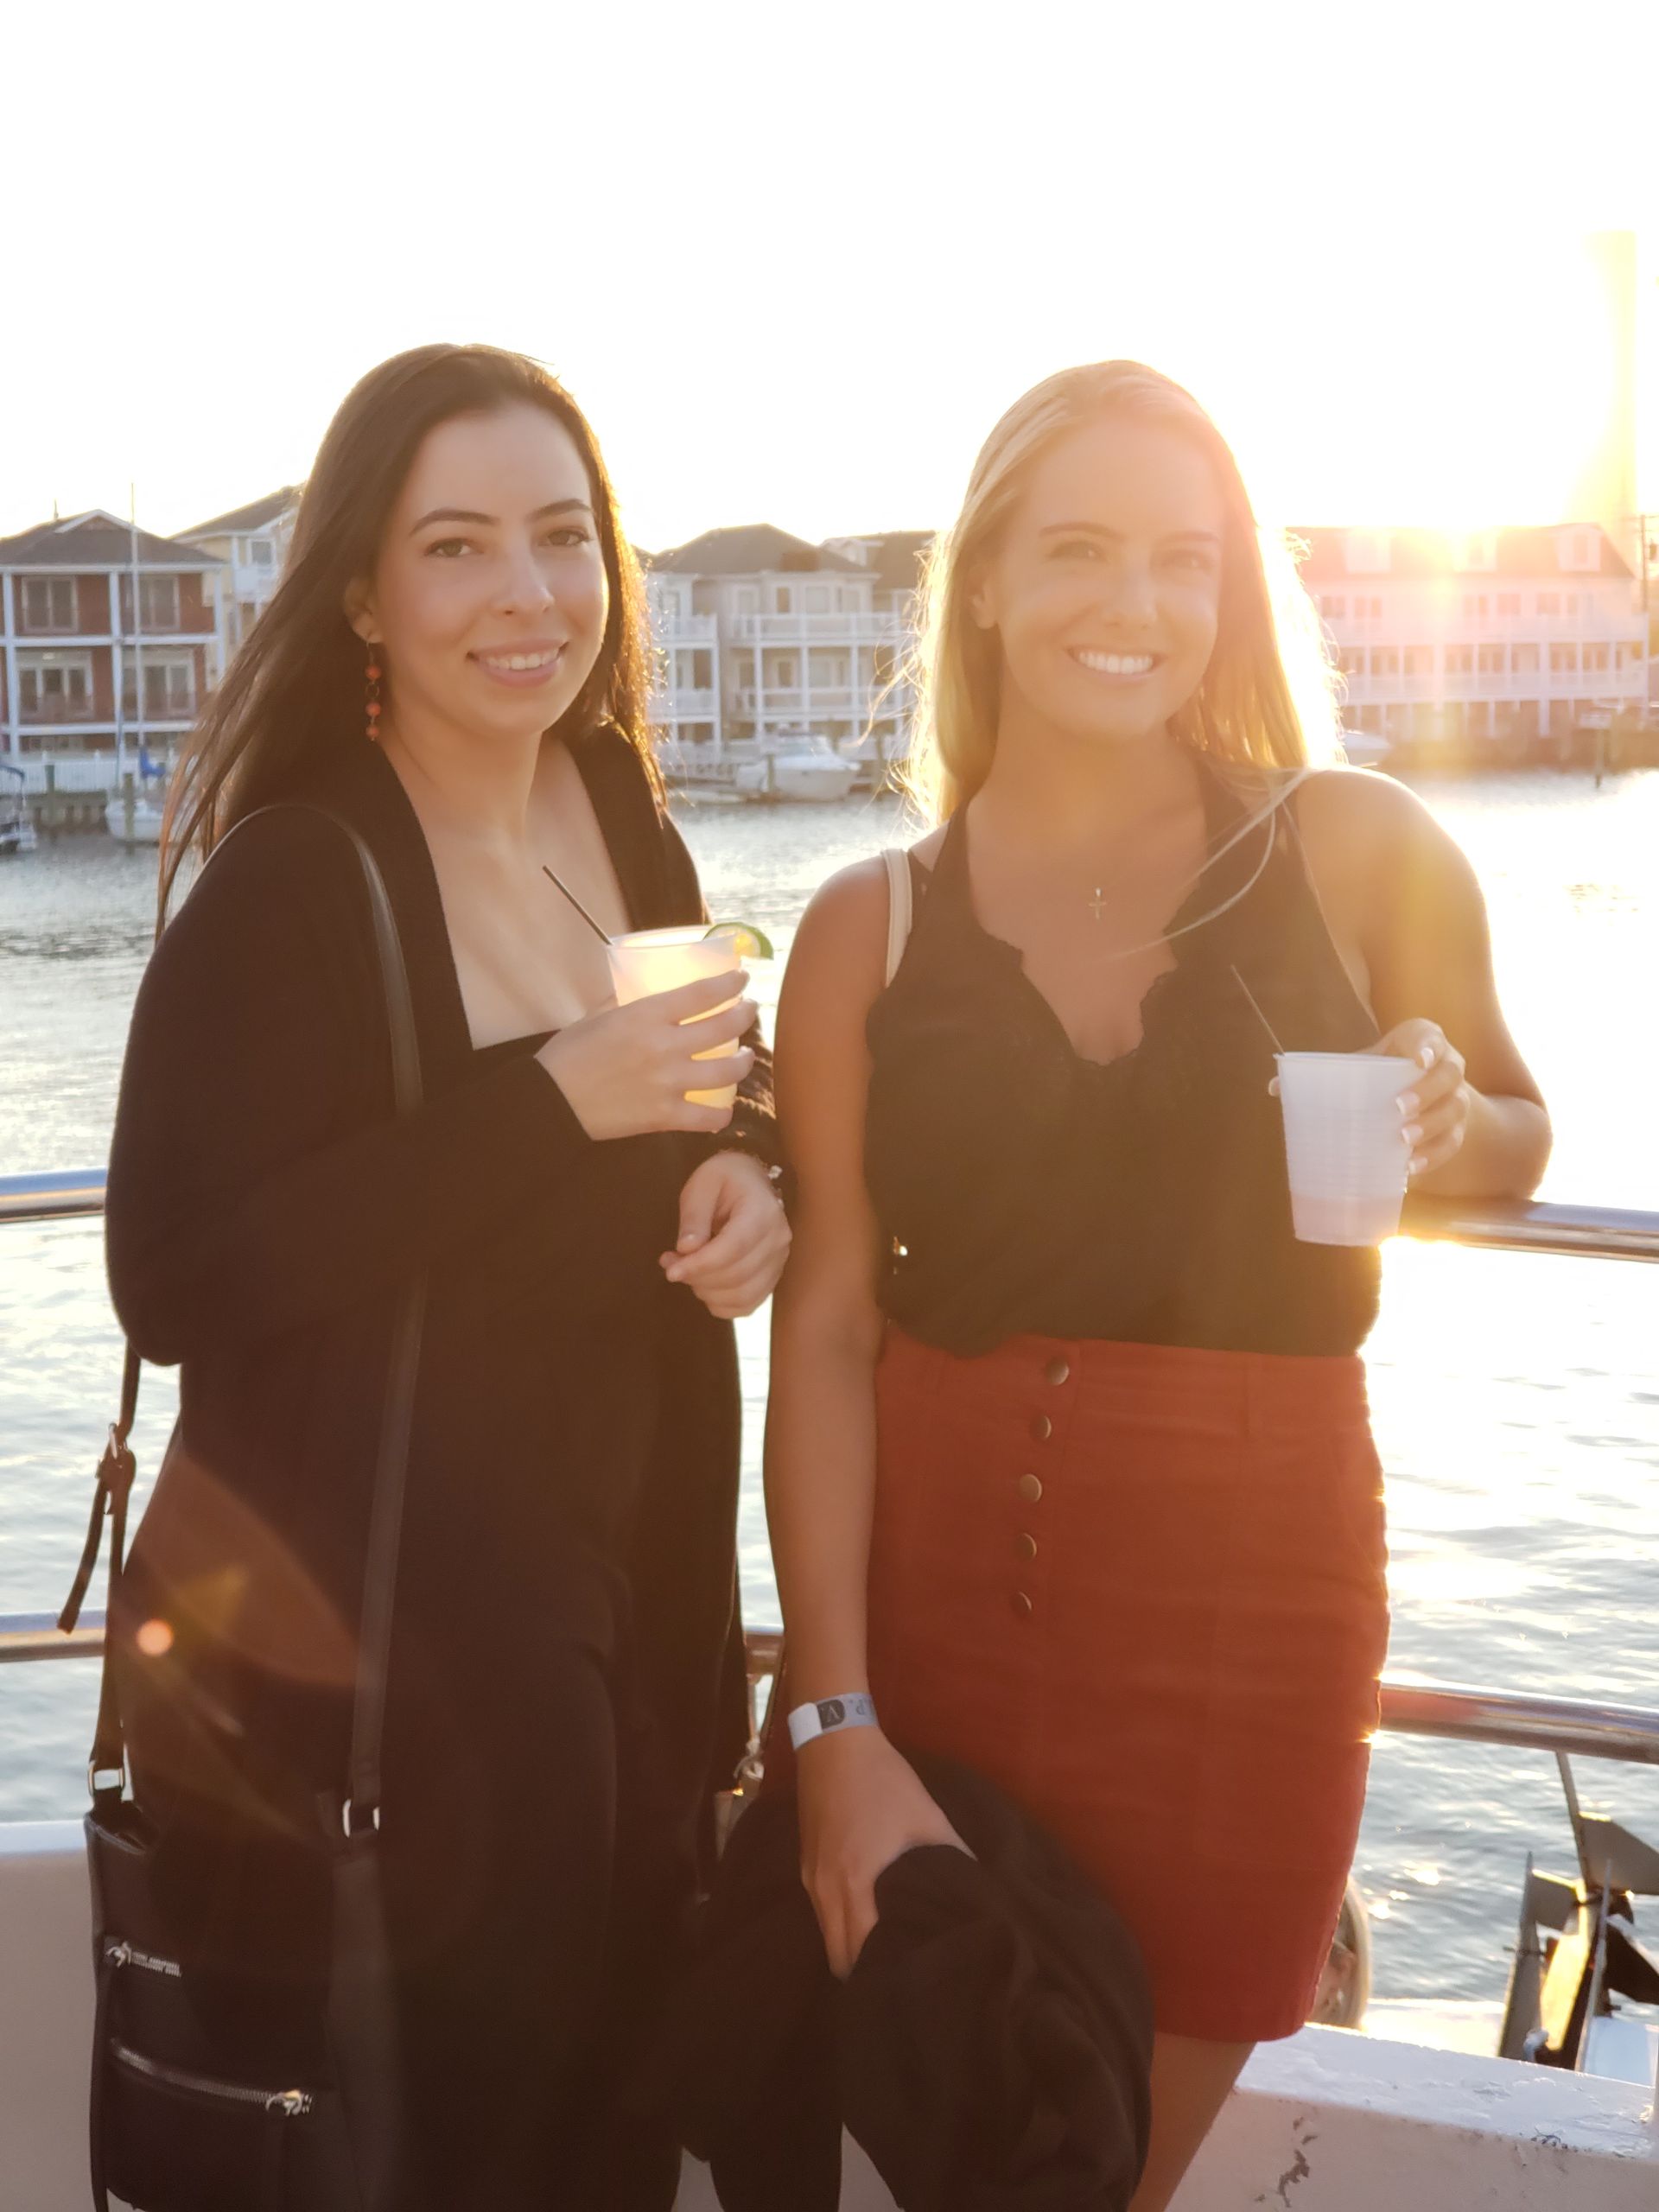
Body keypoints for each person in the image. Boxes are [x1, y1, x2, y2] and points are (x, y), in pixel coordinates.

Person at [764, 360, 1549, 2210]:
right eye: (1084, 550)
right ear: (986, 581)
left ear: (1231, 596)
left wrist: (1442, 1115)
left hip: (1252, 1637)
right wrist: (833, 1720)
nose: (1137, 605)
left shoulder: (1353, 845)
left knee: (1096, 2174)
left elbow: (1518, 1123)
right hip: (938, 1626)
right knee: (959, 2132)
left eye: (1185, 562)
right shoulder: (864, 922)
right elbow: (826, 1330)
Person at [104, 343, 790, 2209]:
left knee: (604, 2153)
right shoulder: (298, 876)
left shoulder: (617, 804)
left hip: (634, 1628)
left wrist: (751, 1173)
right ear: (364, 596)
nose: (529, 596)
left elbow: (726, 1079)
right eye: (462, 546)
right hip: (404, 1682)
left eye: (564, 540)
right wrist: (545, 1107)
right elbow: (174, 1272)